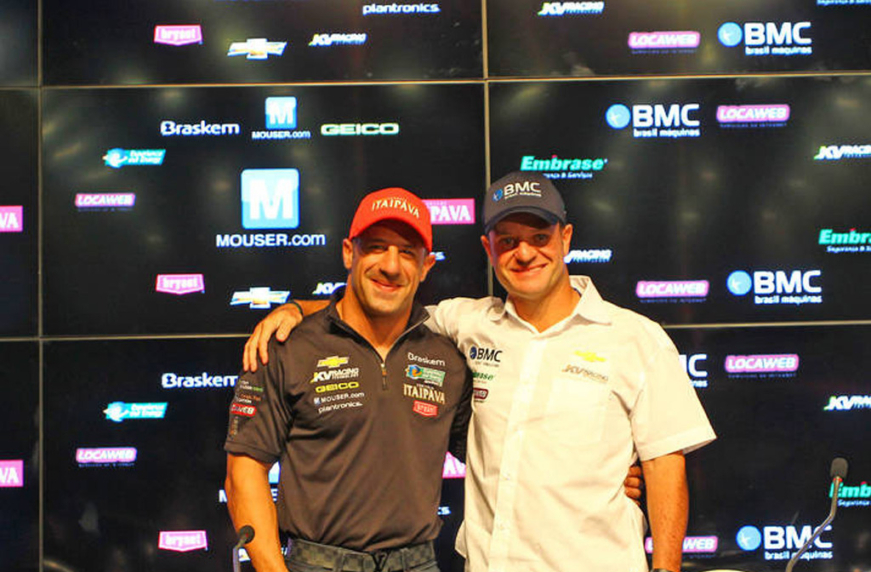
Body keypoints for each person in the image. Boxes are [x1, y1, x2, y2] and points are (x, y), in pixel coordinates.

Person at [243, 173, 696, 572]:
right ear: (488, 248)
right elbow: (378, 304)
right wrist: (297, 309)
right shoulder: (467, 323)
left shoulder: (637, 338)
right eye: (508, 240)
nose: (524, 253)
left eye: (539, 237)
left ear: (566, 239)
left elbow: (665, 465)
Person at [224, 187, 473, 572]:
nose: (391, 265)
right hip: (318, 563)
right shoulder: (287, 347)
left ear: (427, 266)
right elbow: (244, 472)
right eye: (376, 247)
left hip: (417, 563)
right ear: (348, 252)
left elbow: (494, 461)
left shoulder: (448, 358)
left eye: (407, 252)